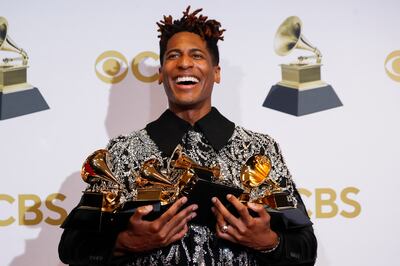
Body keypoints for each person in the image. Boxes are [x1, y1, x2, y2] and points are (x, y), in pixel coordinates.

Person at [59, 6, 317, 266]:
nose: (184, 63)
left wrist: (268, 241)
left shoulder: (259, 149)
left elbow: (306, 249)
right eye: (173, 55)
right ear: (161, 74)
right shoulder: (123, 151)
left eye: (197, 55)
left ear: (216, 72)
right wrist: (125, 243)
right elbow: (72, 247)